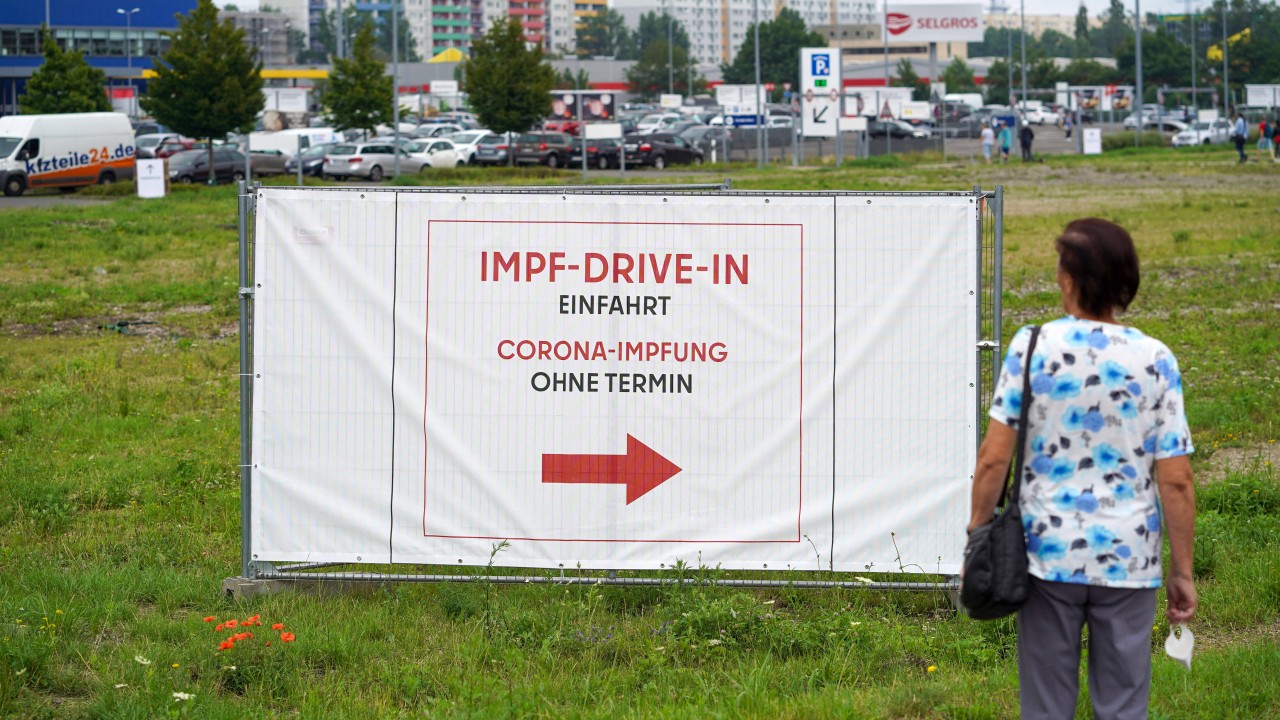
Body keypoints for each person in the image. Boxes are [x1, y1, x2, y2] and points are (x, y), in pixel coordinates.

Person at [968, 218, 1196, 720]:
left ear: (1068, 279)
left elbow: (993, 458)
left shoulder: (1031, 349)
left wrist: (976, 533)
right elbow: (1175, 478)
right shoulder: (1156, 359)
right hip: (1130, 559)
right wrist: (1182, 571)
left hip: (1048, 555)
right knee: (1122, 706)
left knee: (1046, 707)